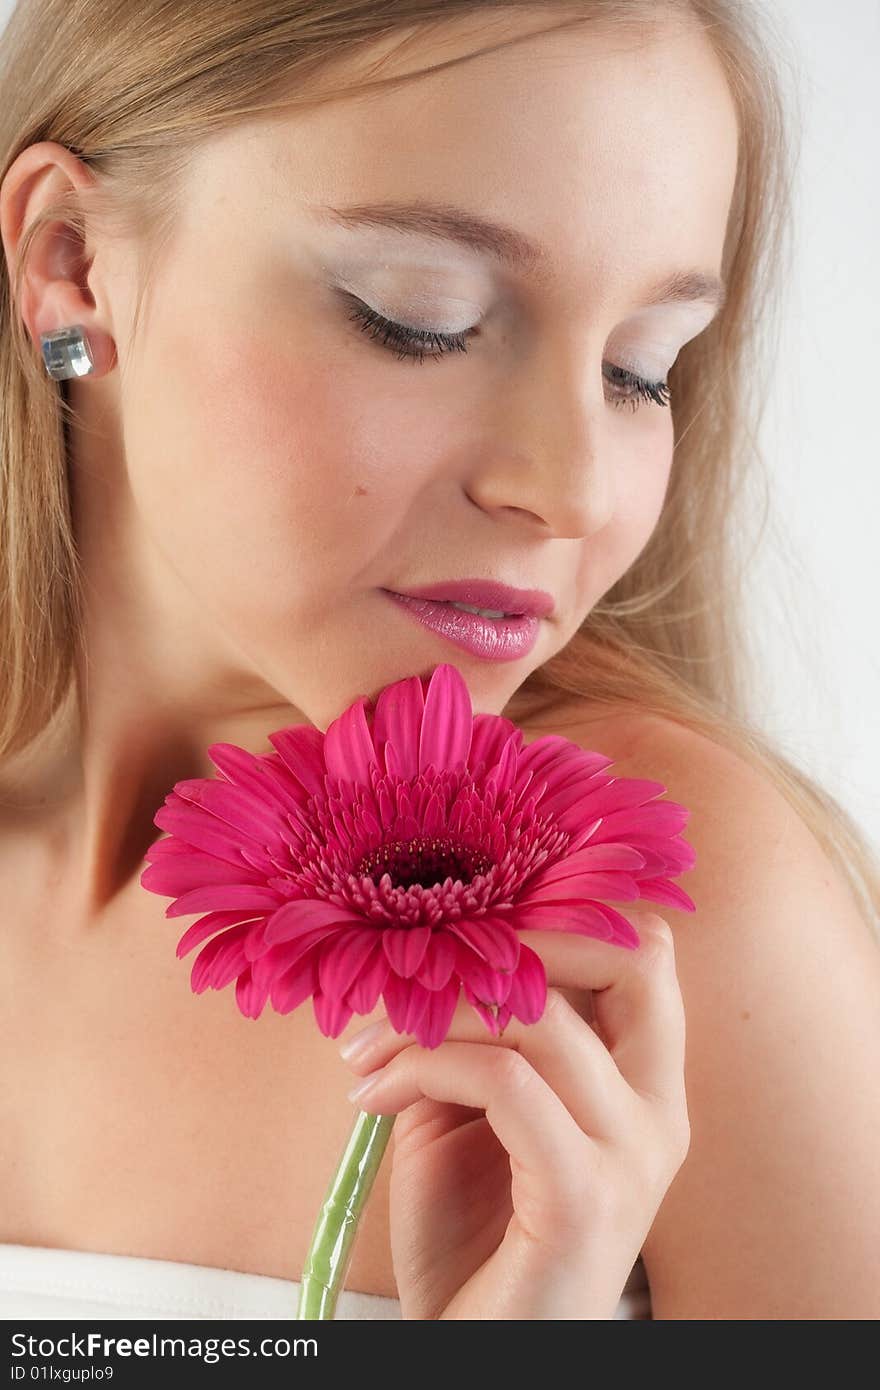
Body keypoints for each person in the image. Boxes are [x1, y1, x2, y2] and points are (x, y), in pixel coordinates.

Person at [0, 0, 878, 1321]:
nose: (571, 488)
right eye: (423, 318)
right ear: (71, 262)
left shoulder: (663, 930)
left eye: (644, 370)